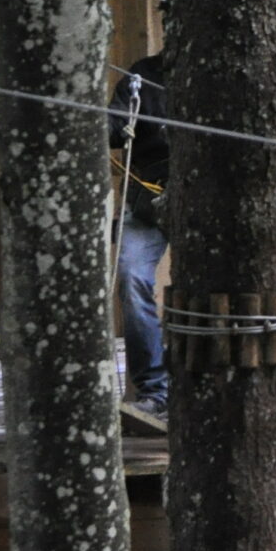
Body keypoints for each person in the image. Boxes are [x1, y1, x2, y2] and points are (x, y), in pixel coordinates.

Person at [107, 52, 173, 419]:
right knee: (131, 279)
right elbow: (116, 128)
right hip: (147, 197)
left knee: (207, 285)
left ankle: (194, 384)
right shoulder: (143, 74)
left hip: (203, 197)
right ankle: (155, 390)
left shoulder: (221, 71)